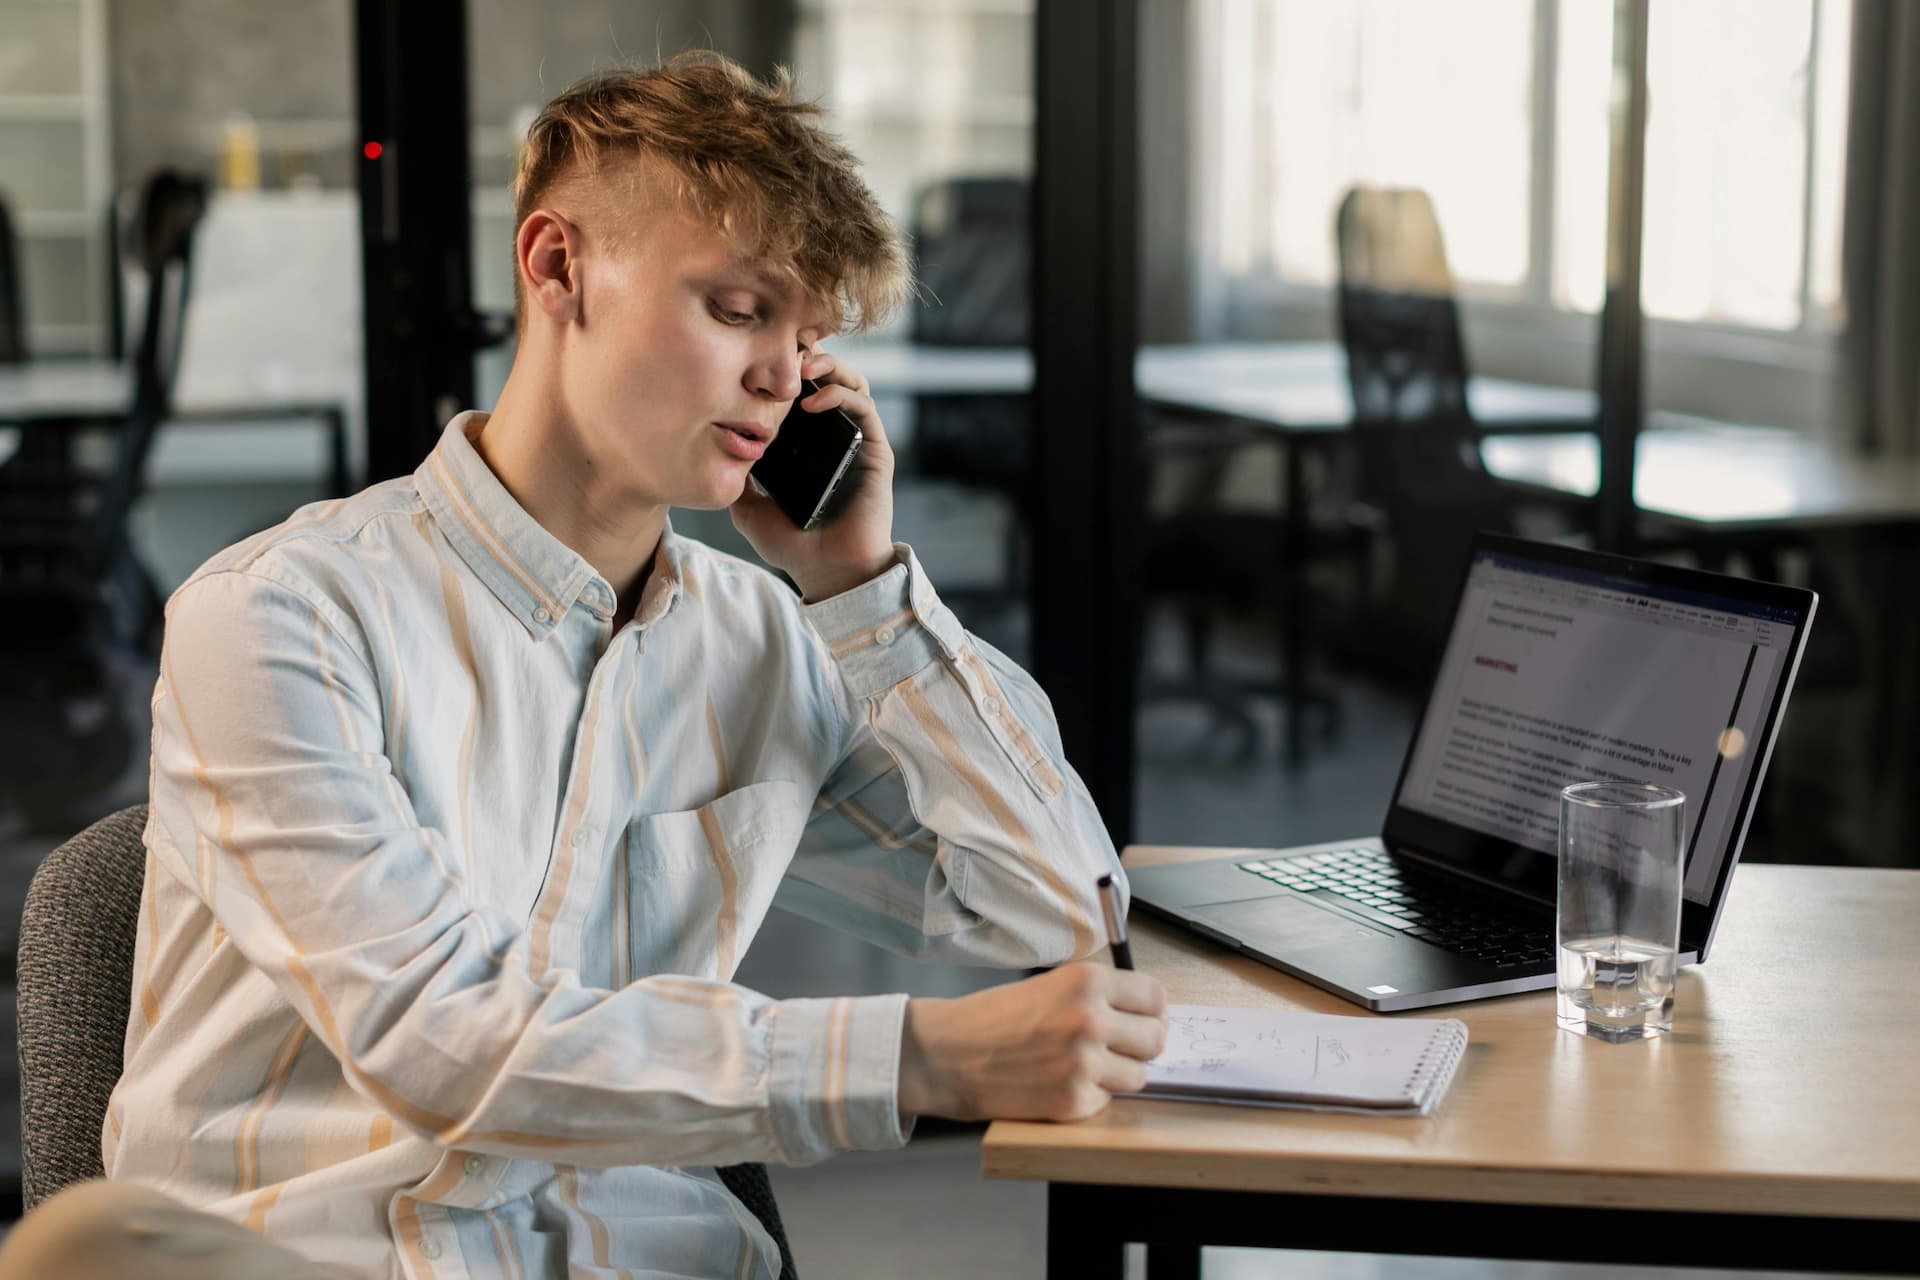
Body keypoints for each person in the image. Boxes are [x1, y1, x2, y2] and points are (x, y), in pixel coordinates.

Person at [1, 51, 1166, 1280]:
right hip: (314, 1258)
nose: (783, 379)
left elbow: (1061, 902)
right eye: (738, 310)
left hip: (637, 1261)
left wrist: (864, 591)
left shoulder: (764, 641)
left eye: (809, 338)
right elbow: (436, 1036)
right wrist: (917, 1057)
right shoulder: (278, 614)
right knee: (87, 1252)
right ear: (556, 264)